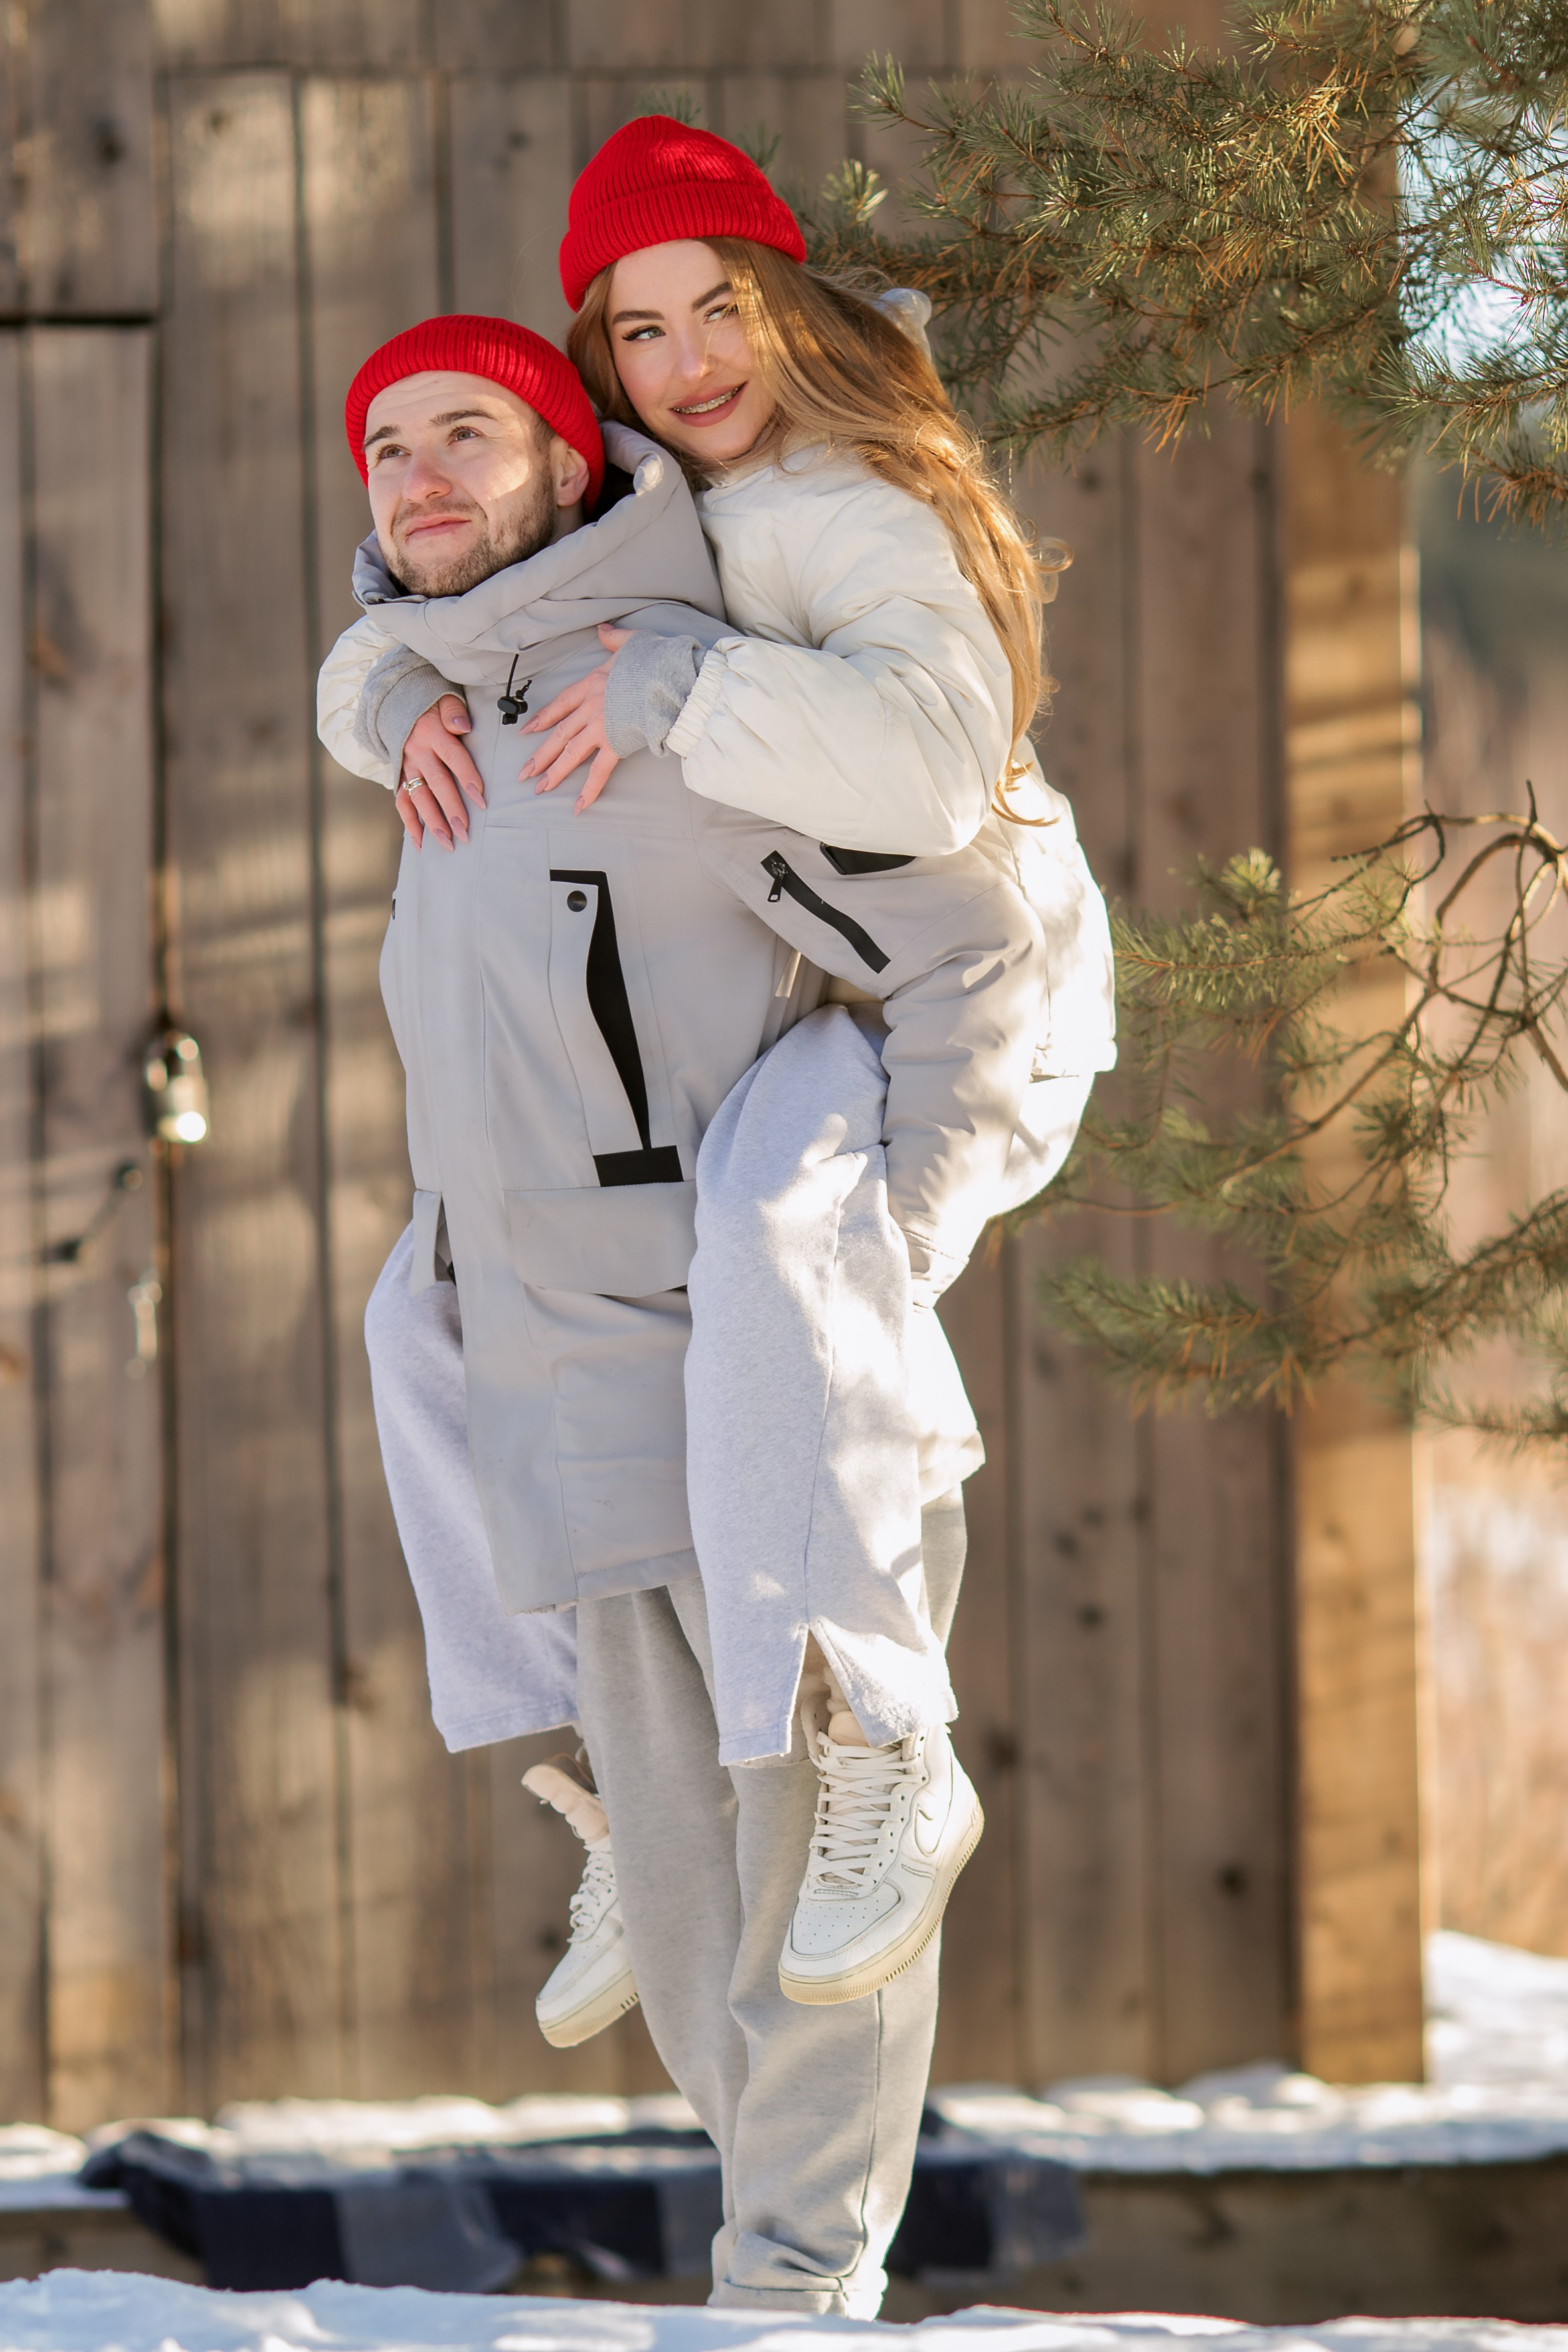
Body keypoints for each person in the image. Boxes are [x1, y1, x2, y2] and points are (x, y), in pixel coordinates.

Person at [321, 116, 1114, 2036]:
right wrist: (396, 691)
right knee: (415, 1319)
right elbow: (452, 592)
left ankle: (892, 1742)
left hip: (955, 994)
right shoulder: (668, 484)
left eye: (719, 309)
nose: (684, 363)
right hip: (813, 976)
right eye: (638, 329)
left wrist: (676, 691)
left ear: (797, 311)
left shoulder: (851, 500)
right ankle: (602, 1770)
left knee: (778, 1246)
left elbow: (927, 782)